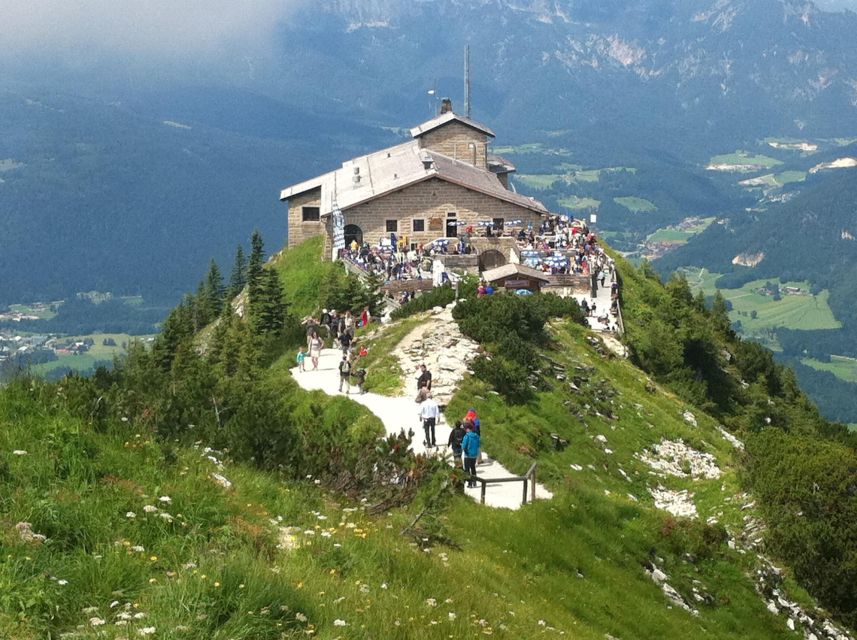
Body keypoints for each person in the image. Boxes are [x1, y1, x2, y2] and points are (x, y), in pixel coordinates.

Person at [461, 424, 480, 488]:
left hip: (467, 455)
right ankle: (474, 482)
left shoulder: (466, 436)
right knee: (473, 468)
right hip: (474, 455)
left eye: (466, 429)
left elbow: (463, 446)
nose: (466, 430)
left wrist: (462, 445)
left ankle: (470, 483)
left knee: (467, 469)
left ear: (468, 429)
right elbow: (478, 445)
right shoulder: (476, 436)